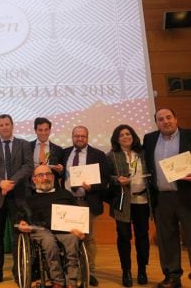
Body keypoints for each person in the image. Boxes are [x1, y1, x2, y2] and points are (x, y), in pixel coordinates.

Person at [0, 114, 34, 286]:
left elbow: (28, 166)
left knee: (17, 236)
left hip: (18, 197)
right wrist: (0, 182)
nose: (4, 127)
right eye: (1, 125)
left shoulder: (24, 144)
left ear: (12, 125)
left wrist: (10, 183)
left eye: (7, 124)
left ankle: (18, 272)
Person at [143, 108, 191, 288]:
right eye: (160, 119)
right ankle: (172, 276)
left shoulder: (189, 136)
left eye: (169, 117)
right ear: (157, 123)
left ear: (176, 118)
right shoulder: (149, 139)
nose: (165, 121)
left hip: (187, 195)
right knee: (166, 239)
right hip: (162, 198)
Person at [17, 164, 84, 288]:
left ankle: (72, 282)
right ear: (34, 179)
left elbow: (79, 215)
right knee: (49, 242)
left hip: (64, 230)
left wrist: (80, 229)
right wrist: (23, 223)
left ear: (53, 177)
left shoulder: (66, 194)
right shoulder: (28, 199)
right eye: (40, 175)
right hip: (41, 230)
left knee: (72, 239)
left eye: (48, 174)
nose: (45, 178)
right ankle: (57, 281)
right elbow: (21, 219)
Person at [62, 126, 108, 286]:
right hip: (67, 202)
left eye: (83, 136)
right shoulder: (65, 153)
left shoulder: (98, 155)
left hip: (87, 202)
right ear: (72, 137)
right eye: (76, 136)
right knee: (68, 238)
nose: (79, 139)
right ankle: (70, 270)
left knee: (88, 239)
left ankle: (90, 271)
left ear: (87, 137)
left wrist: (92, 187)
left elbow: (105, 181)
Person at [106, 124, 151, 287]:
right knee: (124, 237)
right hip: (122, 202)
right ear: (117, 139)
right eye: (121, 135)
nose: (125, 137)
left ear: (133, 135)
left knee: (142, 237)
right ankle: (126, 272)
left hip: (142, 201)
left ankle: (142, 270)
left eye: (128, 133)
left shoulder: (143, 153)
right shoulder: (111, 155)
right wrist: (116, 180)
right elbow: (106, 177)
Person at [30, 117, 64, 186]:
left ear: (50, 130)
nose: (43, 133)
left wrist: (61, 170)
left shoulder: (58, 149)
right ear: (35, 130)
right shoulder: (27, 147)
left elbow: (61, 175)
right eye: (40, 130)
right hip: (32, 188)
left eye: (46, 130)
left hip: (52, 188)